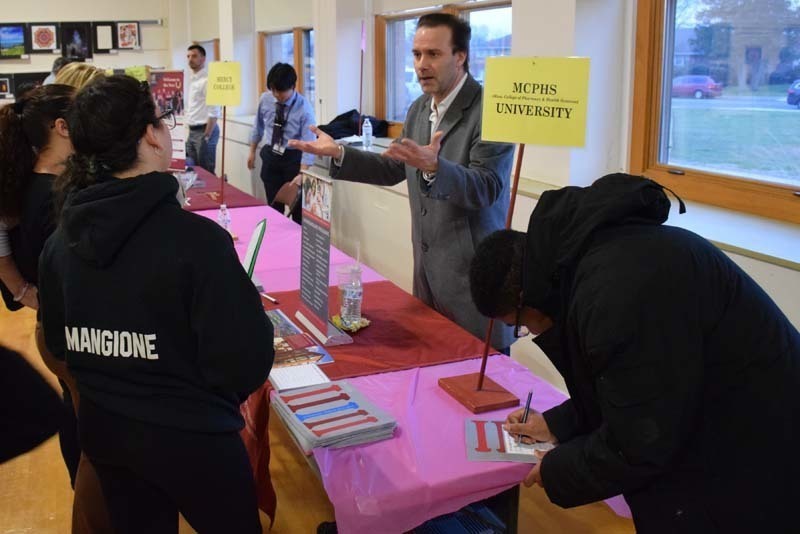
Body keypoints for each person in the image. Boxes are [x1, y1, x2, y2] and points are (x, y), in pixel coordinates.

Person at [468, 173, 800, 533]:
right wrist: (555, 424)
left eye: (520, 324)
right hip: (725, 423)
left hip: (756, 447)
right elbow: (627, 389)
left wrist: (558, 468)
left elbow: (641, 443)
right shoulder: (591, 262)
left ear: (523, 298)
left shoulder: (615, 294)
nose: (529, 331)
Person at [39, 75, 274, 533]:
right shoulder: (198, 243)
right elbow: (245, 363)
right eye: (164, 123)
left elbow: (58, 343)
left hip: (107, 434)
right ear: (151, 134)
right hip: (197, 441)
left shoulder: (59, 243)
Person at [289, 13, 515, 350]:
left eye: (433, 54)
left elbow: (487, 188)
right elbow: (394, 168)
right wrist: (338, 152)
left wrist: (436, 166)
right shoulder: (419, 108)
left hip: (472, 284)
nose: (422, 64)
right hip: (427, 277)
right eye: (416, 54)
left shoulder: (492, 110)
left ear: (460, 56)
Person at [247, 63, 316, 222]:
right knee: (273, 206)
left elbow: (308, 144)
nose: (276, 95)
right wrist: (252, 151)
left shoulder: (305, 109)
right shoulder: (265, 99)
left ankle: (296, 242)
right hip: (271, 156)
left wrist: (302, 174)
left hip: (293, 159)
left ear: (293, 86)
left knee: (297, 210)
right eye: (273, 90)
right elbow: (258, 126)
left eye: (281, 91)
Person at [185, 44, 220, 174]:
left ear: (203, 58)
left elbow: (214, 110)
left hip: (205, 130)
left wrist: (207, 135)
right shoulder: (192, 80)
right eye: (188, 56)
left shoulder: (207, 80)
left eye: (194, 56)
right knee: (193, 170)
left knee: (207, 172)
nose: (190, 59)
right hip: (193, 131)